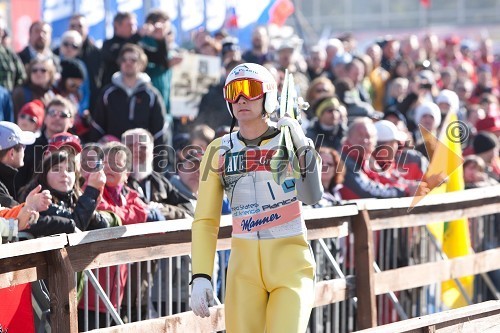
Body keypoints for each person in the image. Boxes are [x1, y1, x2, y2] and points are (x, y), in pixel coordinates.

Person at [190, 63, 323, 332]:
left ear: (269, 96)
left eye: (250, 90)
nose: (241, 99)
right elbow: (205, 220)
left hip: (291, 267)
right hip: (243, 272)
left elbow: (312, 196)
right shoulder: (218, 149)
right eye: (233, 91)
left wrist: (303, 147)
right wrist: (201, 275)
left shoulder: (288, 139)